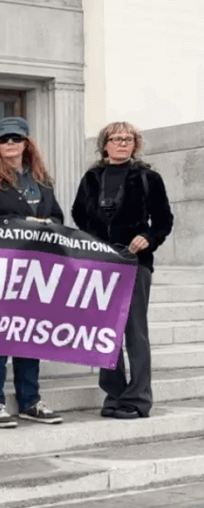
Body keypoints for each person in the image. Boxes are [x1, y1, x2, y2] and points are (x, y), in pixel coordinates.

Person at [0, 117, 64, 429]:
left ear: (26, 143)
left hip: (35, 270)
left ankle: (30, 400)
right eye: (4, 139)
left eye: (16, 139)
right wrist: (20, 224)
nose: (10, 144)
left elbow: (59, 217)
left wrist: (49, 225)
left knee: (29, 334)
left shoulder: (42, 181)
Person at [72, 122, 173, 420]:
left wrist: (149, 239)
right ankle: (114, 395)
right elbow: (79, 214)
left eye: (128, 139)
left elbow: (164, 220)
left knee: (135, 332)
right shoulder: (92, 177)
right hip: (101, 261)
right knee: (106, 330)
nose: (122, 143)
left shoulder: (148, 178)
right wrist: (94, 243)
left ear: (135, 144)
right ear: (105, 144)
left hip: (135, 260)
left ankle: (138, 399)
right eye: (116, 139)